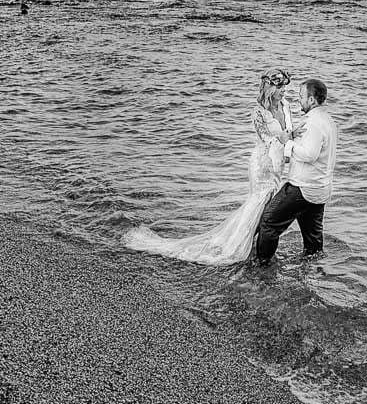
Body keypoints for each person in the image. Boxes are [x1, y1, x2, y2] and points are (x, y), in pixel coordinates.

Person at [122, 69, 293, 265]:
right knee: (258, 203)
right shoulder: (258, 112)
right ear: (270, 88)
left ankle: (256, 243)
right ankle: (239, 244)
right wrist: (283, 139)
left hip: (278, 163)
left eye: (285, 88)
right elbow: (265, 138)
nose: (284, 91)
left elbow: (288, 132)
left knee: (269, 207)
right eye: (281, 87)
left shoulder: (285, 105)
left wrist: (291, 149)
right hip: (262, 165)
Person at [253, 78, 338, 262]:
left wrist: (288, 144)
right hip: (320, 189)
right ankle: (313, 268)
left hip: (303, 187)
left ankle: (262, 266)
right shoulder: (327, 120)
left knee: (268, 222)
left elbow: (310, 154)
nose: (299, 99)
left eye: (301, 96)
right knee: (312, 236)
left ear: (312, 100)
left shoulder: (314, 122)